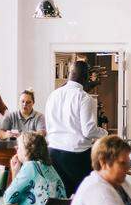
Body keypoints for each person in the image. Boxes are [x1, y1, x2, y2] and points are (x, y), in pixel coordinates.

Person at [44, 60, 108, 195]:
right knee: (85, 195)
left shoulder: (53, 95)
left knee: (60, 194)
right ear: (86, 77)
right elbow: (89, 131)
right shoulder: (84, 98)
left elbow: (48, 126)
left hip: (52, 153)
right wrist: (105, 133)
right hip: (76, 155)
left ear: (69, 74)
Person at [3, 131, 69, 205]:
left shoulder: (31, 167)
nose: (16, 150)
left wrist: (15, 171)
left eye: (19, 147)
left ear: (27, 150)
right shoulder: (49, 167)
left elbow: (8, 199)